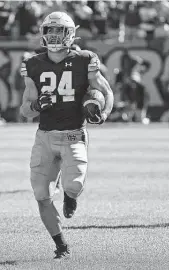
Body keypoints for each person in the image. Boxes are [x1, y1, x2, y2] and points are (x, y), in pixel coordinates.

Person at [20, 11, 114, 259]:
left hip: (74, 133)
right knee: (41, 194)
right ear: (42, 34)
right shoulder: (33, 64)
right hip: (45, 136)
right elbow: (24, 109)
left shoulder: (85, 59)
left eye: (58, 31)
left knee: (74, 185)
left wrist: (103, 113)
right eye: (49, 31)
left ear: (70, 34)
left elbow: (105, 90)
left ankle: (70, 197)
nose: (53, 36)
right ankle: (61, 245)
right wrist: (38, 106)